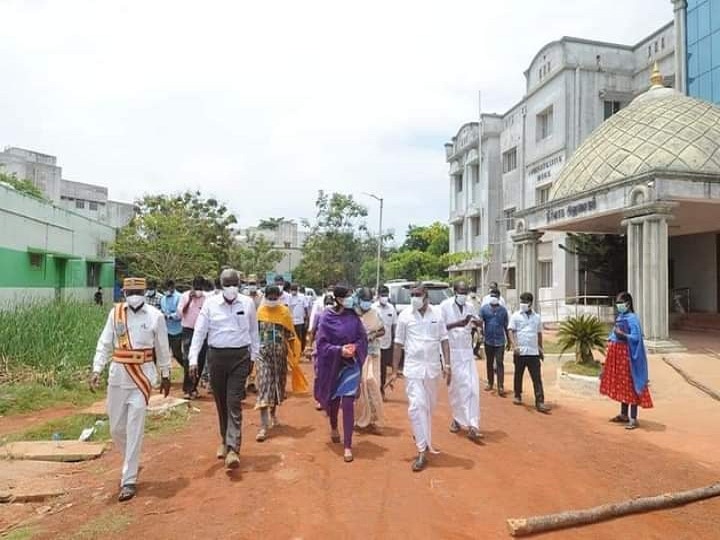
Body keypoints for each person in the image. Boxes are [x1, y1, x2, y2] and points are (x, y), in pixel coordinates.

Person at [89, 277, 171, 502]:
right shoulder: (115, 314)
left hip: (142, 379)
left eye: (138, 290)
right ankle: (131, 461)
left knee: (135, 427)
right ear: (124, 292)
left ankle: (129, 479)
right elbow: (105, 343)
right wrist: (96, 369)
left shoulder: (156, 316)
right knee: (116, 429)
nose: (134, 294)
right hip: (118, 377)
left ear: (144, 291)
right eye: (130, 290)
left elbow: (163, 348)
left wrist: (166, 374)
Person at [188, 269, 260, 470]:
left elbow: (254, 332)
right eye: (227, 284)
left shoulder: (247, 303)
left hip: (240, 357)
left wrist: (254, 356)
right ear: (221, 285)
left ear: (239, 284)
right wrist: (193, 359)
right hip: (216, 357)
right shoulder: (210, 304)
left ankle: (233, 449)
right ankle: (224, 439)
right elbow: (200, 332)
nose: (231, 287)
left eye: (234, 283)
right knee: (220, 401)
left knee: (234, 401)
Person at [390, 283, 451, 472]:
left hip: (432, 369)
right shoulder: (405, 316)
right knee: (417, 407)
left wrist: (447, 365)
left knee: (429, 407)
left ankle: (421, 434)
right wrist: (394, 371)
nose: (414, 298)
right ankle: (422, 450)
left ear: (426, 296)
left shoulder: (438, 314)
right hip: (413, 369)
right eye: (412, 295)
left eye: (418, 294)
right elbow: (398, 344)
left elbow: (444, 340)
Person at [315, 285, 368, 463]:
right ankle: (333, 426)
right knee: (333, 401)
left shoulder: (354, 316)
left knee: (347, 402)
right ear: (338, 299)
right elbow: (321, 344)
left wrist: (355, 348)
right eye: (347, 296)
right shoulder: (326, 317)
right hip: (332, 365)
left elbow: (362, 338)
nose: (351, 299)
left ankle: (347, 445)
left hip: (350, 365)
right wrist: (339, 350)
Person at [254, 286, 303, 442]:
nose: (273, 299)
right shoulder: (259, 312)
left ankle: (273, 414)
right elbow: (253, 332)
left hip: (280, 356)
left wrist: (294, 354)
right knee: (263, 385)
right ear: (266, 296)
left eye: (276, 297)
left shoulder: (284, 312)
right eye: (270, 296)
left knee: (276, 386)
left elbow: (291, 334)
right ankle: (263, 426)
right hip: (263, 355)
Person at [600, 292, 653, 430]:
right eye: (617, 303)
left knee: (630, 386)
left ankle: (633, 418)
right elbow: (614, 334)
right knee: (622, 385)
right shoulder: (621, 317)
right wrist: (611, 340)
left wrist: (623, 335)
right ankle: (624, 414)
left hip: (628, 357)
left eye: (620, 303)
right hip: (618, 357)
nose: (618, 305)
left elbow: (636, 338)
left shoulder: (633, 319)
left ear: (628, 304)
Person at [440, 281, 483, 441]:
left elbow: (477, 322)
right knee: (455, 389)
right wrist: (458, 324)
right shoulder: (444, 306)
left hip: (466, 352)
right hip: (450, 353)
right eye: (461, 291)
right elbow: (439, 329)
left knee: (472, 388)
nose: (463, 295)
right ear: (454, 291)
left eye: (465, 292)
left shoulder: (470, 306)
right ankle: (457, 419)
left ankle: (473, 425)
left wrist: (478, 323)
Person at [508, 292, 550, 414]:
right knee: (518, 374)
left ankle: (540, 401)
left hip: (533, 352)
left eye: (525, 302)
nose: (523, 304)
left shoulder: (537, 317)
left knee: (536, 378)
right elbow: (510, 330)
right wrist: (514, 345)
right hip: (520, 351)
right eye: (521, 302)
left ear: (531, 303)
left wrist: (541, 348)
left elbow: (539, 333)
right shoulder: (516, 316)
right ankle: (517, 394)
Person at [354, 287, 386, 432]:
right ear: (359, 300)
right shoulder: (353, 315)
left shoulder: (375, 313)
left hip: (373, 354)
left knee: (371, 382)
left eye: (369, 301)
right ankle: (359, 419)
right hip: (357, 355)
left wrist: (374, 335)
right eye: (364, 301)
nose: (366, 304)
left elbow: (383, 330)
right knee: (359, 386)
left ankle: (373, 419)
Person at [178, 276, 208, 399]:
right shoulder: (185, 296)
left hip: (202, 332)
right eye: (196, 288)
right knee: (187, 359)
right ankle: (187, 389)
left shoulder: (207, 298)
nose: (198, 291)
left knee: (200, 359)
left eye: (200, 288)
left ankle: (194, 387)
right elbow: (180, 313)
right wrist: (189, 300)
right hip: (188, 330)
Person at [479, 289, 511, 397]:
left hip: (500, 341)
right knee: (489, 362)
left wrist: (509, 340)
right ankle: (490, 382)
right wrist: (481, 333)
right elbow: (480, 322)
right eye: (492, 295)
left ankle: (500, 386)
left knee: (499, 363)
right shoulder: (484, 309)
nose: (493, 297)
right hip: (488, 340)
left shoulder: (503, 311)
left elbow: (506, 326)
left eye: (495, 296)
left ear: (498, 297)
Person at [372, 285, 397, 400]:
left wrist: (395, 340)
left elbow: (394, 326)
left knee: (383, 368)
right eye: (382, 295)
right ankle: (374, 391)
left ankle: (381, 390)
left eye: (386, 295)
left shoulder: (391, 308)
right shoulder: (373, 308)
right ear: (378, 295)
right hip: (375, 343)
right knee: (376, 368)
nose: (384, 297)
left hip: (387, 343)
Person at [160, 279, 183, 378]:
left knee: (177, 354)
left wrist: (169, 316)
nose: (166, 291)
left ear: (172, 287)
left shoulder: (180, 297)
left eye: (167, 289)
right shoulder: (163, 299)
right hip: (166, 330)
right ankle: (165, 376)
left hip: (177, 331)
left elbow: (180, 314)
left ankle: (188, 368)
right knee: (164, 354)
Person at [288, 283, 309, 350]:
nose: (293, 291)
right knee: (291, 338)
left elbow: (306, 308)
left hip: (300, 321)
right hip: (290, 321)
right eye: (292, 290)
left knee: (300, 337)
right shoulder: (288, 297)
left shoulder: (302, 297)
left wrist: (307, 319)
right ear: (290, 290)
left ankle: (300, 350)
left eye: (295, 289)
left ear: (297, 290)